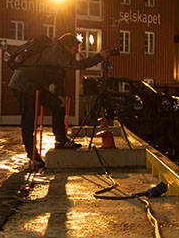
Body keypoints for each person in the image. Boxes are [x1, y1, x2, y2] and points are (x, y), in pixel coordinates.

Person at [9, 33, 115, 169]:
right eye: (75, 48)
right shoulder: (54, 52)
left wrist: (60, 96)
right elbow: (76, 65)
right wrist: (100, 56)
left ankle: (61, 140)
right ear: (67, 47)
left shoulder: (59, 55)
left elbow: (59, 77)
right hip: (22, 86)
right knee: (29, 122)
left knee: (57, 104)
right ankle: (33, 157)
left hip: (35, 87)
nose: (77, 51)